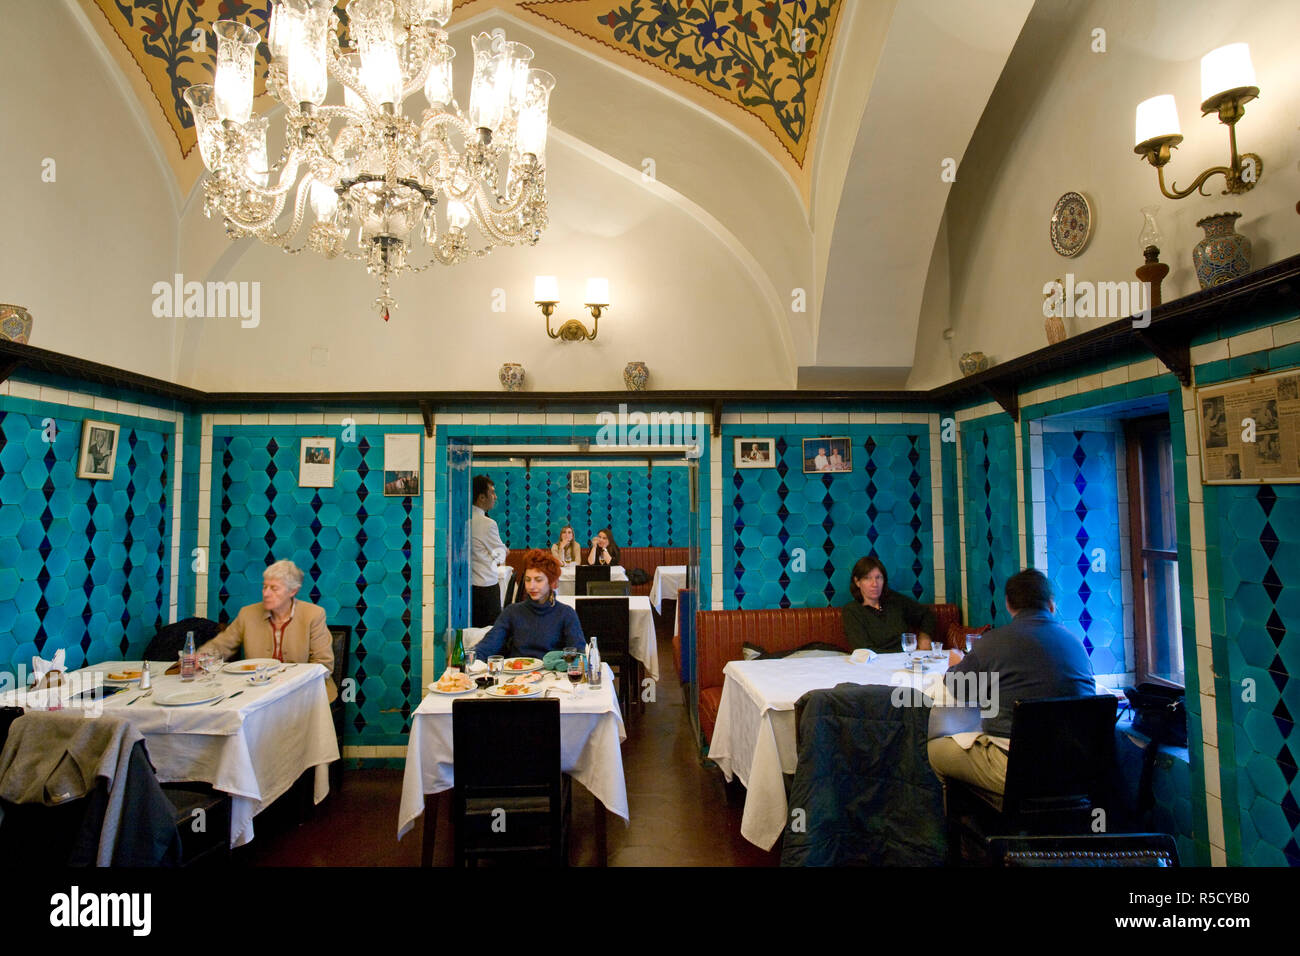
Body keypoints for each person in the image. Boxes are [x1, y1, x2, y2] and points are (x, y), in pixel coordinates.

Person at [927, 569, 1096, 804]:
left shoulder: (992, 643)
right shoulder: (1076, 644)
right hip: (1078, 771)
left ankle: (988, 821)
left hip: (1016, 770)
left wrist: (956, 663)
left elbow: (956, 689)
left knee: (936, 749)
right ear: (1051, 604)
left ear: (1008, 604)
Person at [200, 559, 336, 701]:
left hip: (305, 692)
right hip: (257, 692)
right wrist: (197, 659)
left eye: (274, 588)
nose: (266, 593)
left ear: (293, 591)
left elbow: (323, 664)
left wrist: (289, 684)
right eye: (264, 587)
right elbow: (221, 646)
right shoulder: (247, 614)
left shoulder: (313, 615)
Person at [472, 550, 585, 660]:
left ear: (551, 582)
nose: (531, 586)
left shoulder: (565, 614)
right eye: (527, 580)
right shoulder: (512, 612)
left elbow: (579, 654)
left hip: (553, 676)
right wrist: (469, 659)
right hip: (516, 675)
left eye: (538, 580)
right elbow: (489, 645)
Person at [840, 556, 936, 653]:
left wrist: (925, 636)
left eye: (878, 577)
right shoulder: (851, 611)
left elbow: (926, 615)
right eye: (867, 578)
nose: (874, 584)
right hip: (875, 664)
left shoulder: (896, 600)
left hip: (906, 659)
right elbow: (863, 650)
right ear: (857, 582)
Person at [470, 474, 508, 627]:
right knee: (490, 632)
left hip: (470, 588)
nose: (495, 497)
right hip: (485, 588)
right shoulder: (486, 523)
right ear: (481, 497)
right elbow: (501, 556)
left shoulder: (463, 519)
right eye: (492, 492)